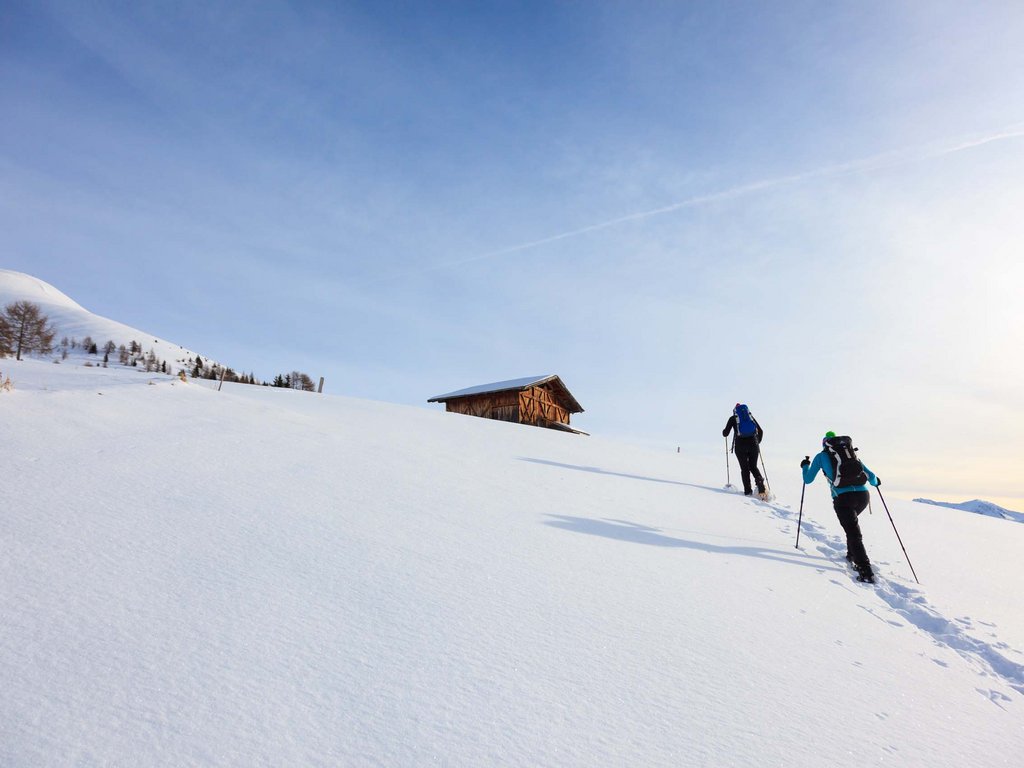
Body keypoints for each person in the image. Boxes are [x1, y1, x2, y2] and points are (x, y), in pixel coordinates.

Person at [801, 431, 881, 583]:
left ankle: (865, 569)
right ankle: (852, 555)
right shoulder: (851, 455)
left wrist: (805, 466)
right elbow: (872, 477)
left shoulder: (821, 456)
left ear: (825, 444)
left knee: (853, 531)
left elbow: (808, 479)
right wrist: (877, 482)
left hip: (843, 498)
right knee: (852, 527)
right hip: (863, 496)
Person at [722, 403, 766, 498]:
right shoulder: (750, 417)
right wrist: (757, 441)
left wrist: (724, 432)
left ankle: (748, 491)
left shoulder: (733, 418)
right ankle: (759, 480)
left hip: (740, 446)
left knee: (745, 469)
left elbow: (725, 433)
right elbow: (761, 431)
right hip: (753, 444)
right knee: (753, 466)